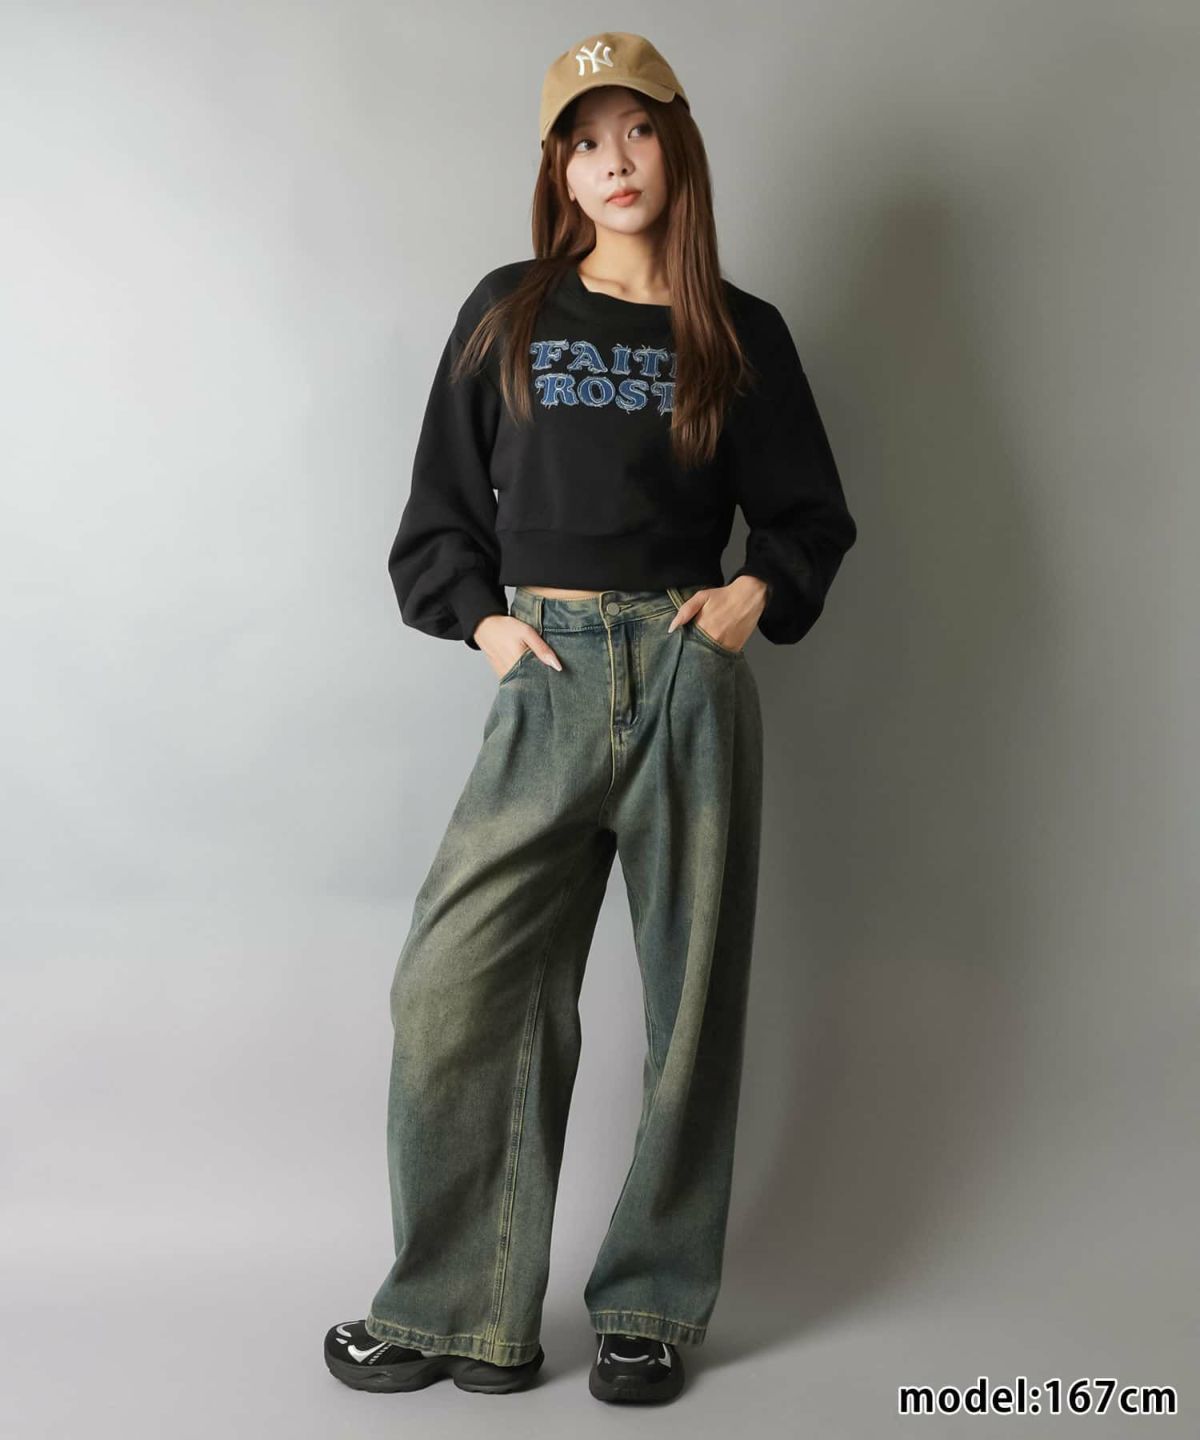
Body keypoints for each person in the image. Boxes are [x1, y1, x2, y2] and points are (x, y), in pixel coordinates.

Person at [323, 30, 857, 1406]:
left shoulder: (739, 333)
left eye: (637, 130)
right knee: (456, 989)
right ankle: (459, 1311)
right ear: (558, 171)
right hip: (548, 672)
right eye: (584, 139)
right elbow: (441, 512)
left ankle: (649, 1307)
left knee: (690, 1007)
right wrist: (490, 627)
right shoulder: (510, 310)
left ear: (676, 147)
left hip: (684, 674)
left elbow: (809, 517)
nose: (613, 160)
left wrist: (752, 596)